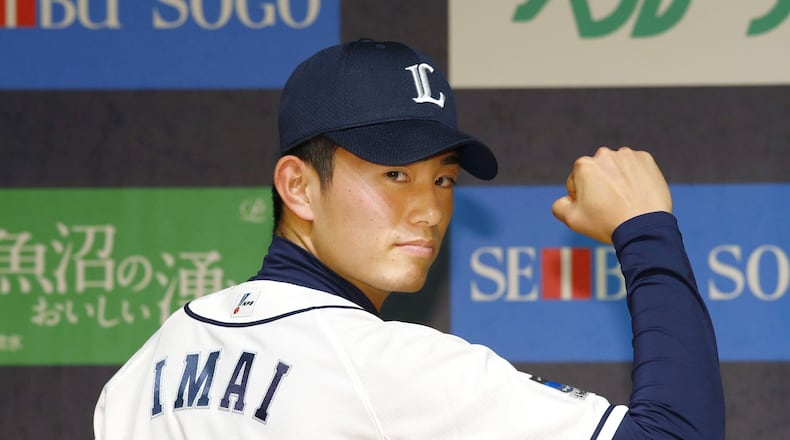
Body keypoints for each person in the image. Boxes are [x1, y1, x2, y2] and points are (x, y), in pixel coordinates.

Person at [93, 39, 725, 439]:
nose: (428, 210)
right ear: (298, 186)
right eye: (394, 174)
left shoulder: (145, 367)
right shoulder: (387, 365)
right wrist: (644, 229)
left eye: (443, 179)